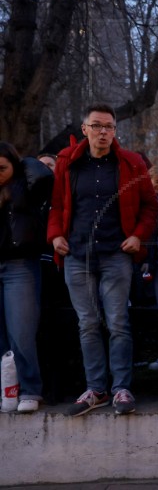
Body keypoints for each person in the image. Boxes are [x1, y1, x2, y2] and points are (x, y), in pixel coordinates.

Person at [47, 103, 158, 416]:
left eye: (109, 126)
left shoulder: (132, 163)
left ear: (114, 131)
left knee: (118, 322)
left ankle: (121, 388)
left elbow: (150, 207)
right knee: (88, 324)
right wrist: (55, 235)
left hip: (116, 254)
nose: (103, 132)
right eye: (97, 126)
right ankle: (96, 389)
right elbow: (56, 205)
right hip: (76, 255)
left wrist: (137, 235)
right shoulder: (68, 162)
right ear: (84, 129)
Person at [0, 144, 53, 413]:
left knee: (21, 332)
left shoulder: (26, 186)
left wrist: (21, 163)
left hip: (20, 263)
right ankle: (6, 389)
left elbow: (44, 174)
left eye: (2, 168)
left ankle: (30, 389)